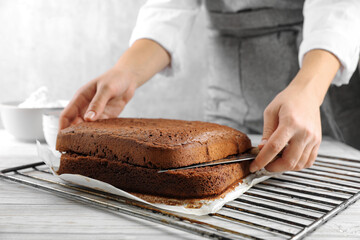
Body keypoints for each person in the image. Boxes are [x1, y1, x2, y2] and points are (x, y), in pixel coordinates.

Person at [59, 0, 360, 173]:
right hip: (231, 93)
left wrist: (309, 91)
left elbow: (338, 9)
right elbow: (168, 8)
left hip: (322, 81)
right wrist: (126, 71)